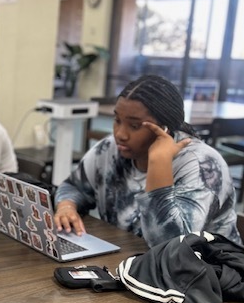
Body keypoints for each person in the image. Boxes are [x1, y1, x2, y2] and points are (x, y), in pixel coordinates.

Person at [54, 74, 241, 248]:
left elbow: (170, 246)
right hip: (129, 260)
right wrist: (66, 206)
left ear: (165, 129)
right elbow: (74, 186)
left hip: (206, 273)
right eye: (117, 120)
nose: (120, 134)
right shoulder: (110, 148)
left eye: (134, 126)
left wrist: (159, 163)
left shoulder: (201, 164)